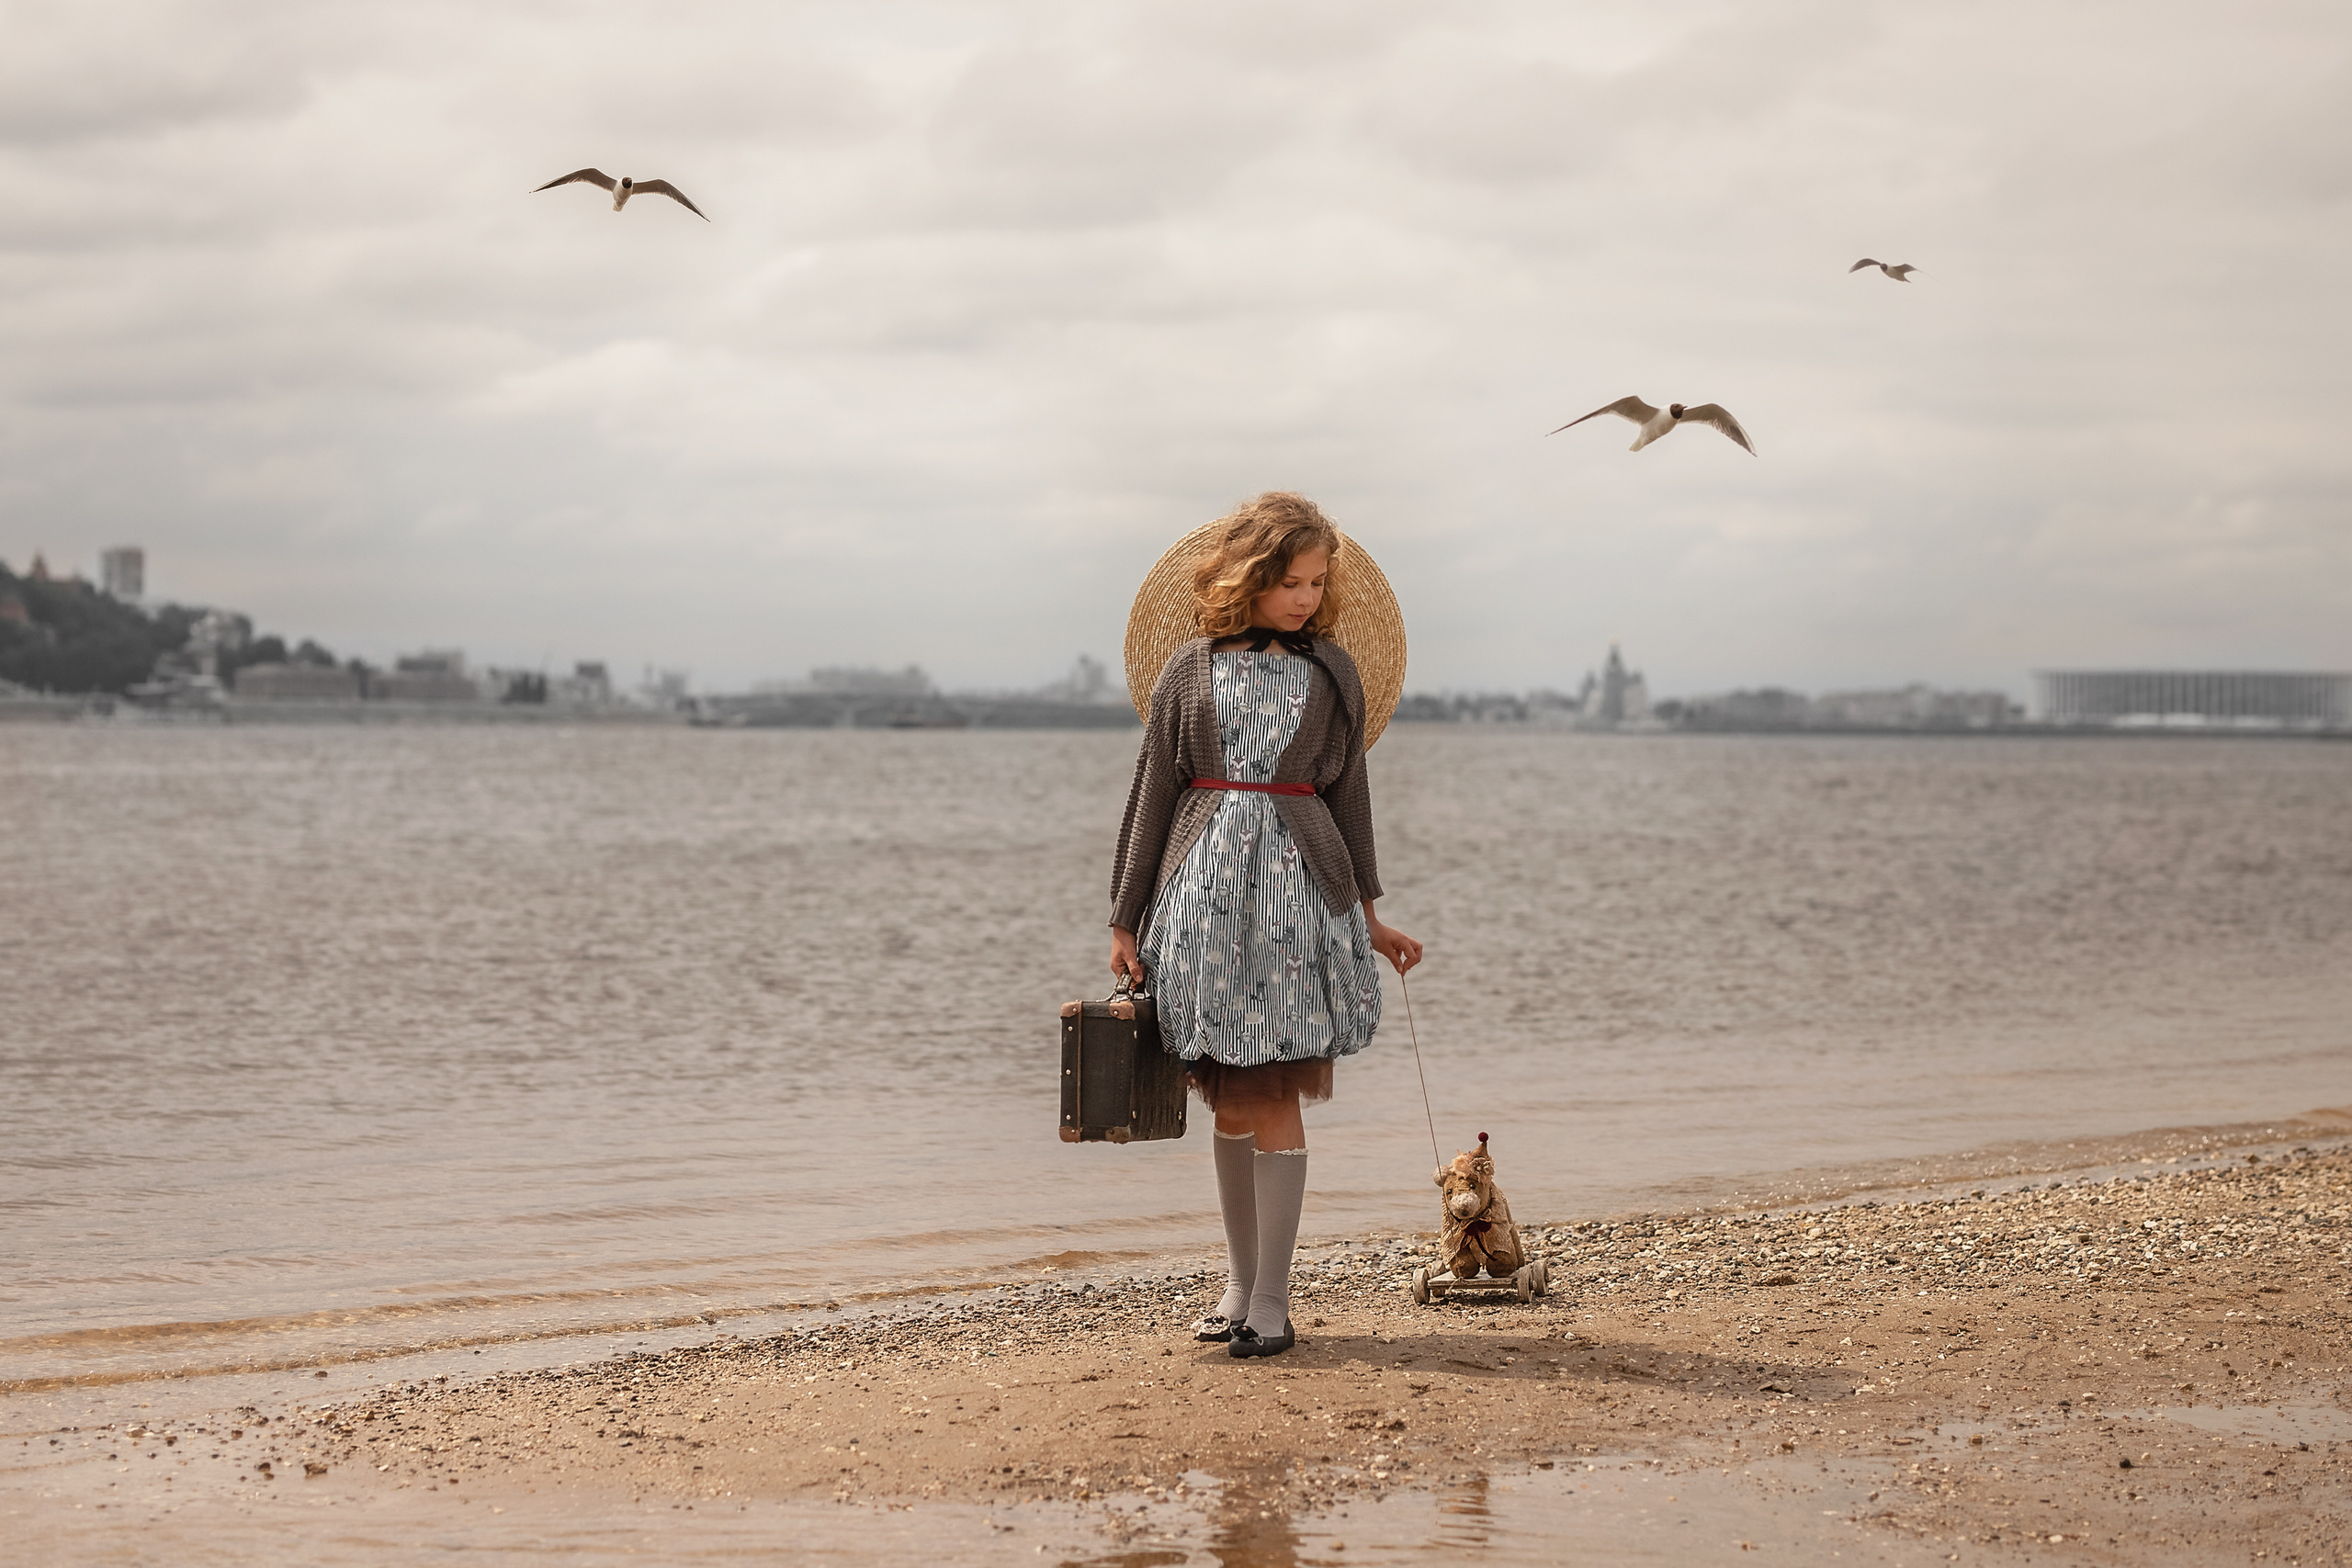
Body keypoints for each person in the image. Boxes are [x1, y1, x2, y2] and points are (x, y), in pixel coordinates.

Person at [1108, 491, 1423, 1360]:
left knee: (1276, 1089)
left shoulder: (1333, 674)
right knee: (1228, 1098)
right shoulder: (1189, 672)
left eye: (1318, 583)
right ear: (1245, 579)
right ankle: (1238, 1287)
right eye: (1290, 582)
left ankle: (1276, 1304)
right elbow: (1152, 799)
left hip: (1300, 908)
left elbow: (1349, 800)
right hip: (1201, 908)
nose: (1305, 599)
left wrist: (1368, 915)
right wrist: (1125, 917)